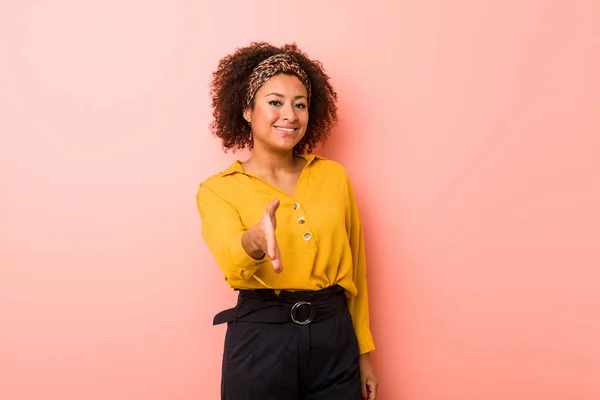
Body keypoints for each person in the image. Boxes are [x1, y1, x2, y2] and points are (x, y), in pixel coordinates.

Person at [196, 42, 379, 400]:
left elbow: (355, 273)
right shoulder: (218, 190)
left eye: (300, 105)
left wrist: (364, 355)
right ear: (247, 110)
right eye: (275, 102)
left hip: (334, 336)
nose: (290, 115)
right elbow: (233, 264)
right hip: (262, 340)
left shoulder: (334, 178)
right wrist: (256, 240)